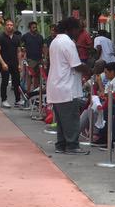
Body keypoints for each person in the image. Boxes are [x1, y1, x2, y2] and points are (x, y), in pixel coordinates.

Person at [47, 17, 92, 155]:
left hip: (56, 86)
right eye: (77, 29)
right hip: (67, 88)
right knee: (71, 119)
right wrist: (89, 69)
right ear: (70, 29)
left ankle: (61, 145)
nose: (79, 32)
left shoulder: (55, 41)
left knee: (61, 121)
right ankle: (72, 145)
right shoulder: (67, 43)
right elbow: (76, 65)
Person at [0, 19, 24, 108]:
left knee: (17, 82)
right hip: (5, 63)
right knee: (5, 81)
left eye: (11, 25)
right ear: (5, 26)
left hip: (14, 62)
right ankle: (4, 100)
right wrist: (3, 63)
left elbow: (18, 51)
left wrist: (20, 64)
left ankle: (18, 100)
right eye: (8, 25)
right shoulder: (0, 37)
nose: (9, 26)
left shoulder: (16, 38)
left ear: (13, 27)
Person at [20, 22, 46, 100]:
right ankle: (28, 93)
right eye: (33, 27)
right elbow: (21, 46)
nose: (35, 28)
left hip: (39, 59)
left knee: (37, 77)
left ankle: (35, 93)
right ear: (30, 28)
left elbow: (43, 47)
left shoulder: (40, 37)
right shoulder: (25, 36)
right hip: (30, 59)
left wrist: (43, 57)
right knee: (29, 76)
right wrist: (23, 53)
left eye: (35, 27)